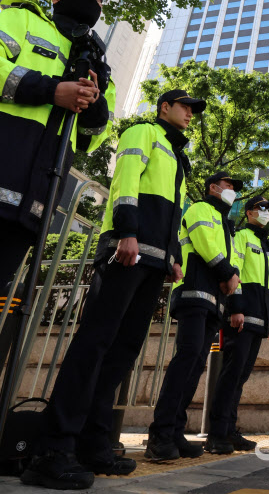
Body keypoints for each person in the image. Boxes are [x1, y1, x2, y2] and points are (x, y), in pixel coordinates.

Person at [22, 89, 206, 490]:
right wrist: (126, 231)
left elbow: (173, 214)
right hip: (126, 251)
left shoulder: (178, 157)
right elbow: (125, 183)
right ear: (164, 107)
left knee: (122, 353)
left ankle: (93, 442)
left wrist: (173, 255)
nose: (191, 113)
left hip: (154, 261)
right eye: (185, 106)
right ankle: (53, 448)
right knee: (95, 345)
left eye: (194, 110)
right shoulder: (143, 132)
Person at [0, 0, 115, 292]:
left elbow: (92, 140)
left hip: (34, 203)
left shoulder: (97, 62)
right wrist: (52, 90)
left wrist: (93, 102)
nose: (93, 1)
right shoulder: (21, 19)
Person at [145, 172, 245, 462]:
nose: (232, 192)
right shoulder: (201, 209)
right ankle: (160, 434)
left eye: (234, 189)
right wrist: (227, 274)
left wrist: (232, 282)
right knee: (187, 359)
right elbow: (205, 244)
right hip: (193, 292)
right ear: (213, 188)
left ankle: (175, 431)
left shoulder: (227, 226)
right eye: (228, 186)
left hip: (215, 301)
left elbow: (233, 260)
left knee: (196, 364)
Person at [206, 194, 269, 454]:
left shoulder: (268, 246)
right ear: (249, 212)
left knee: (240, 378)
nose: (266, 212)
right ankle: (216, 434)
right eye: (262, 208)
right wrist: (235, 308)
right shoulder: (241, 237)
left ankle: (229, 430)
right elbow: (234, 270)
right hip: (240, 317)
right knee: (231, 375)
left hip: (259, 320)